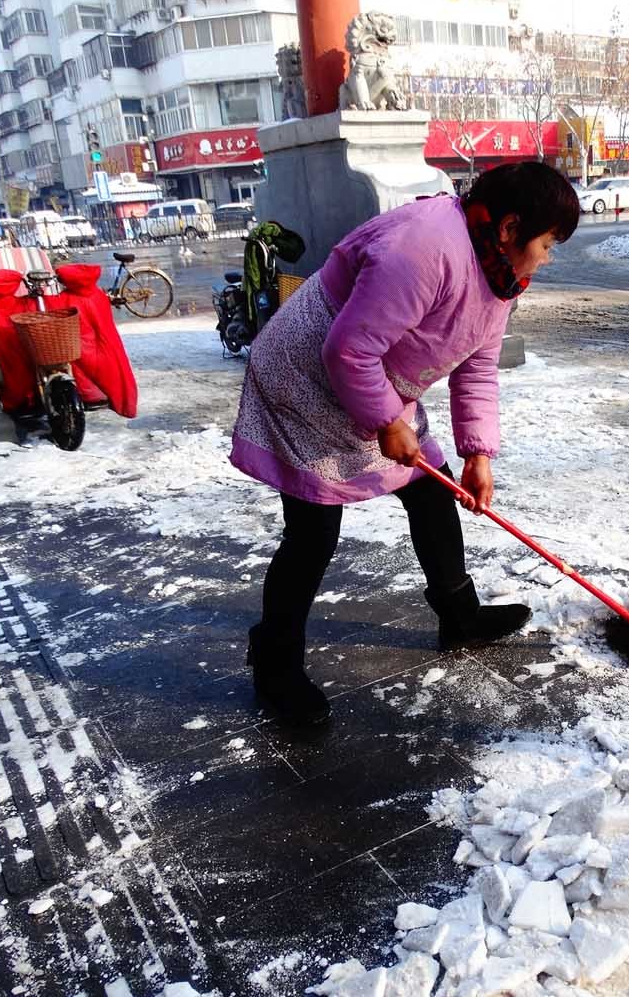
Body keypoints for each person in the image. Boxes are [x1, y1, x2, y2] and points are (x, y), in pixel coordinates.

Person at [230, 162, 580, 725]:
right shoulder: (423, 249)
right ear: (511, 228)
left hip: (370, 378)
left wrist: (477, 452)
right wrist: (387, 419)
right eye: (548, 243)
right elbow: (347, 350)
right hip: (307, 377)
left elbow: (478, 365)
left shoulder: (497, 273)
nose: (549, 257)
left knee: (430, 493)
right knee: (314, 532)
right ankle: (275, 662)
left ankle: (458, 614)